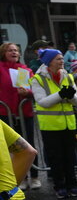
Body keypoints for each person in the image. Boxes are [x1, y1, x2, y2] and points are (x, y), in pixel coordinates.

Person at [30, 48, 77, 198]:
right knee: (56, 158)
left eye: (61, 58)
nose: (62, 61)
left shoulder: (68, 76)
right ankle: (59, 187)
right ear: (49, 61)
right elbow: (42, 102)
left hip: (68, 124)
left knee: (70, 157)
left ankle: (73, 185)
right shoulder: (37, 79)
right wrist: (60, 94)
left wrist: (71, 96)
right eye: (58, 58)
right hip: (50, 126)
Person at [0, 42, 41, 189]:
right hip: (5, 113)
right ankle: (20, 178)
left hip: (24, 112)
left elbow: (35, 90)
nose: (13, 53)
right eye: (10, 50)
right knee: (11, 148)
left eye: (15, 50)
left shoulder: (25, 69)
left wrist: (28, 93)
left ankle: (35, 176)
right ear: (3, 53)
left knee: (28, 143)